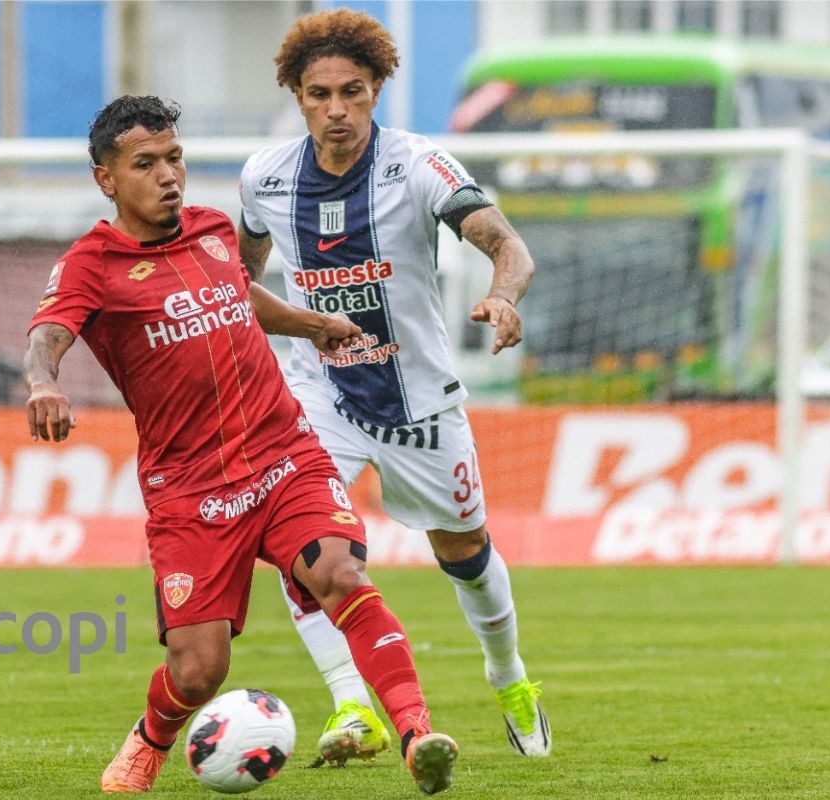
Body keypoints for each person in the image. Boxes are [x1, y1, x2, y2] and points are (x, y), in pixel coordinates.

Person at [23, 95, 459, 795]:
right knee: (199, 672)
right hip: (191, 489)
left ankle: (416, 735)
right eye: (146, 164)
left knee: (341, 576)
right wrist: (42, 383)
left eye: (175, 158)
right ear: (108, 179)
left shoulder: (213, 231)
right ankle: (149, 739)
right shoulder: (91, 263)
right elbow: (47, 335)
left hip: (282, 453)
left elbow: (241, 295)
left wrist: (310, 324)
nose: (169, 175)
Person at [237, 8, 551, 764]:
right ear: (297, 94)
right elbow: (237, 285)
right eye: (319, 94)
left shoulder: (418, 166)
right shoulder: (264, 178)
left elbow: (508, 245)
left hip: (418, 402)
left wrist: (504, 294)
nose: (336, 108)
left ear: (377, 88)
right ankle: (354, 706)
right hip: (320, 398)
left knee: (464, 552)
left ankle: (508, 677)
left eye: (353, 90)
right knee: (302, 550)